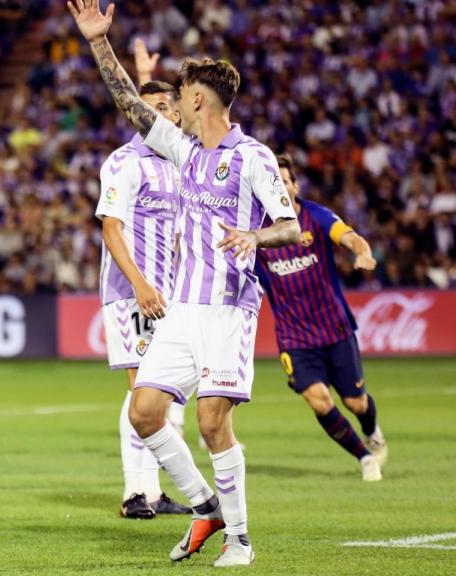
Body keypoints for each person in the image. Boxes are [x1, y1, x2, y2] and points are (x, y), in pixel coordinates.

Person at [68, 0, 302, 567]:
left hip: (228, 311)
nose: (173, 101)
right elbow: (129, 104)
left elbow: (291, 225)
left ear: (197, 99)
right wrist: (101, 43)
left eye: (180, 91)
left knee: (210, 422)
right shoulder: (184, 149)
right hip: (181, 313)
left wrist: (254, 236)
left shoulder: (253, 158)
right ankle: (205, 505)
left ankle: (240, 540)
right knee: (143, 413)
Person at [255, 153, 388, 481]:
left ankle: (372, 430)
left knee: (355, 402)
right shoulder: (255, 232)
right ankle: (364, 457)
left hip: (335, 328)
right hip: (294, 336)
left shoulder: (315, 216)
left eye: (285, 181)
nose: (281, 187)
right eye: (274, 183)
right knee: (318, 400)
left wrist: (362, 252)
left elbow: (348, 235)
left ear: (295, 185)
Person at [96, 76, 190, 520]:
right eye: (143, 106)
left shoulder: (178, 162)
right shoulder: (124, 161)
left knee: (165, 391)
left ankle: (151, 489)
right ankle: (135, 492)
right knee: (142, 389)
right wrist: (139, 284)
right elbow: (111, 228)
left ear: (175, 113)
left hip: (167, 293)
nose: (150, 114)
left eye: (159, 106)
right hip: (131, 291)